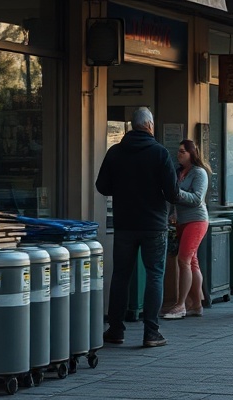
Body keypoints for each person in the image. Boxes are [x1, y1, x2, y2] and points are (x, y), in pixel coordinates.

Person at [95, 107, 179, 348]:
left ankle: (115, 330)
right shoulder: (160, 153)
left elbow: (102, 186)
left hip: (124, 224)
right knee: (155, 275)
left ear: (132, 126)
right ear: (150, 126)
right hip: (153, 226)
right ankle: (151, 332)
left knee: (121, 276)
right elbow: (172, 192)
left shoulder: (115, 152)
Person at [161, 139, 211, 320]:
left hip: (196, 220)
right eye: (179, 151)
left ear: (192, 153)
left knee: (183, 260)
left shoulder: (199, 173)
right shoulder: (180, 172)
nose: (179, 154)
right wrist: (173, 212)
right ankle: (196, 304)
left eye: (183, 151)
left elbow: (197, 198)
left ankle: (180, 304)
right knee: (192, 261)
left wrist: (176, 193)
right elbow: (174, 199)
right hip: (182, 221)